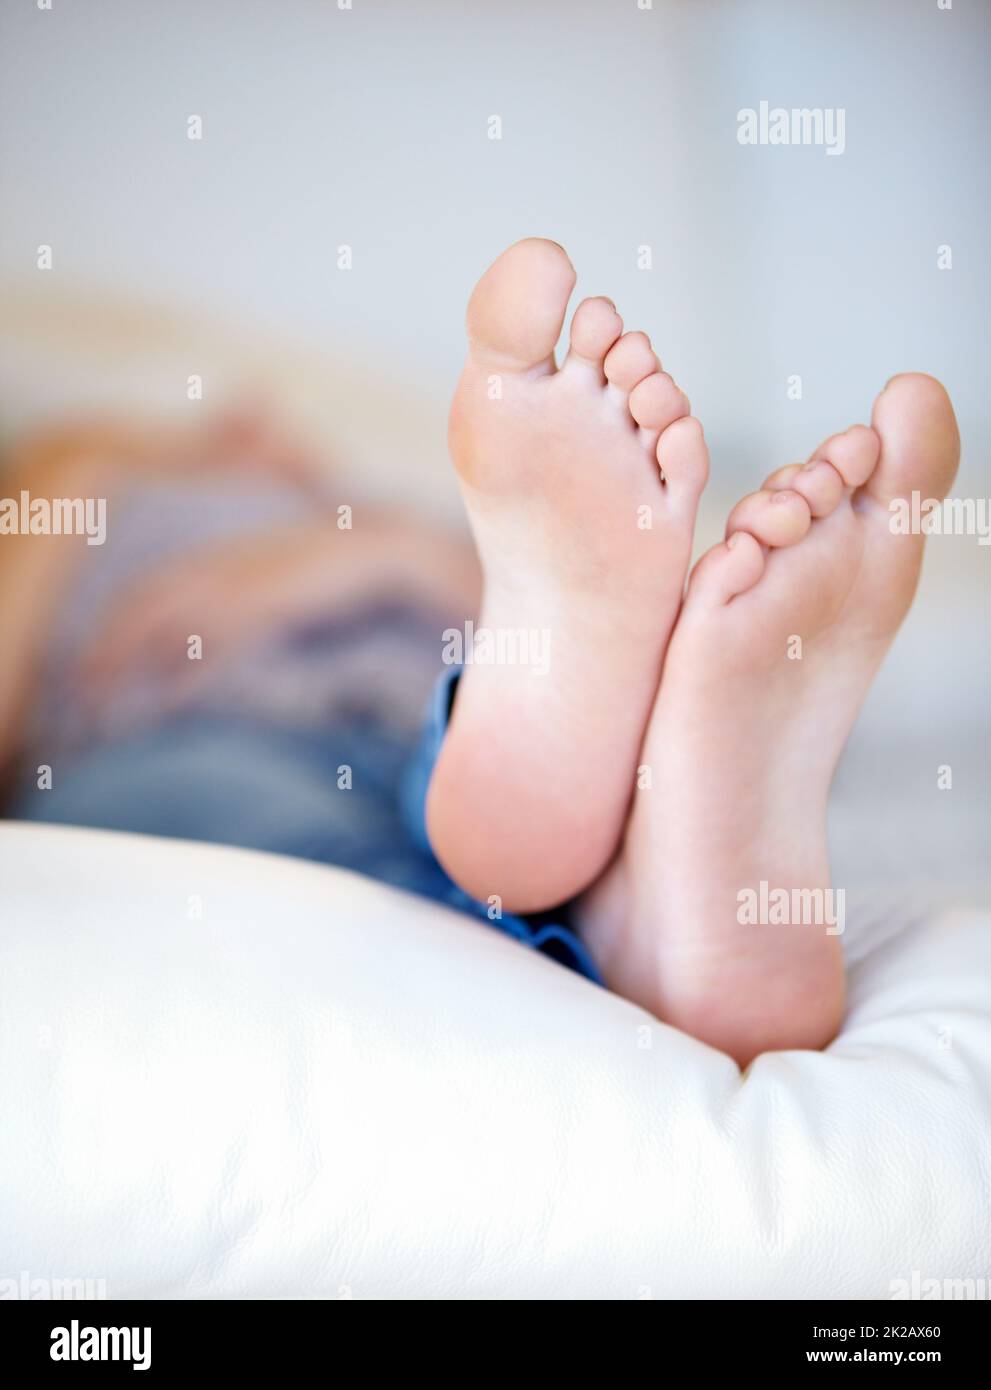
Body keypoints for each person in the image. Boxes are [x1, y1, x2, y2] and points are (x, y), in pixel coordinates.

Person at [1, 239, 960, 1069]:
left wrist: (378, 555)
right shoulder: (86, 487)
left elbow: (560, 641)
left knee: (517, 739)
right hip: (189, 731)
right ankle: (626, 915)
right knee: (308, 841)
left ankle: (625, 857)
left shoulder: (392, 510)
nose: (263, 420)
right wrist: (83, 471)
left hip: (456, 719)